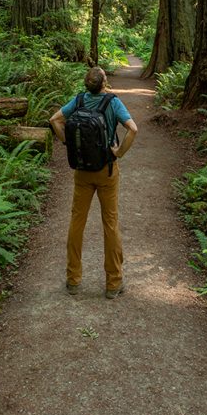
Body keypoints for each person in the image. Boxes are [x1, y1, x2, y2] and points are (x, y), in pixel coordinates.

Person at [49, 65, 138, 299]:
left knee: (77, 221)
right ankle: (113, 283)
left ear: (86, 84)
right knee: (110, 223)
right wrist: (118, 153)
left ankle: (73, 280)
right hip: (107, 170)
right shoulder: (112, 102)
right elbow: (133, 129)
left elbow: (55, 120)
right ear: (104, 83)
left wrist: (69, 143)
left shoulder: (78, 101)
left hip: (82, 172)